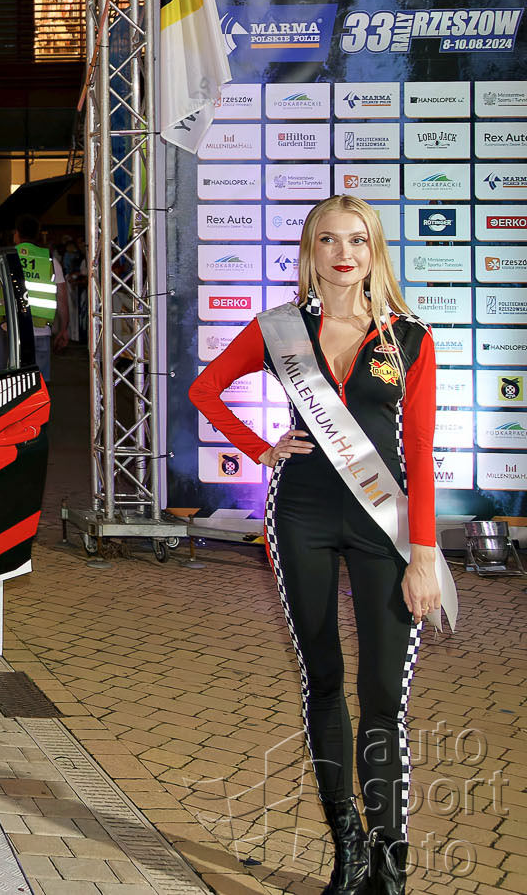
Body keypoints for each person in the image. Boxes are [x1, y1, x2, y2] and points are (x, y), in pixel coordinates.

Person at [188, 195, 446, 895]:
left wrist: (424, 555)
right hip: (299, 514)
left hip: (384, 525)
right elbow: (206, 389)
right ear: (310, 250)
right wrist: (259, 448)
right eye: (328, 240)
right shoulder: (280, 330)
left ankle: (389, 867)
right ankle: (349, 849)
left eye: (357, 240)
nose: (343, 253)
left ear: (374, 249)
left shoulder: (409, 339)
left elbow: (421, 453)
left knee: (383, 695)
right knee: (323, 679)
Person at [0, 214, 67, 380]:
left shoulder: (3, 258)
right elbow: (62, 299)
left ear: (17, 234)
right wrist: (63, 329)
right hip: (41, 332)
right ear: (37, 235)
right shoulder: (50, 261)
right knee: (37, 385)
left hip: (11, 329)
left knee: (7, 383)